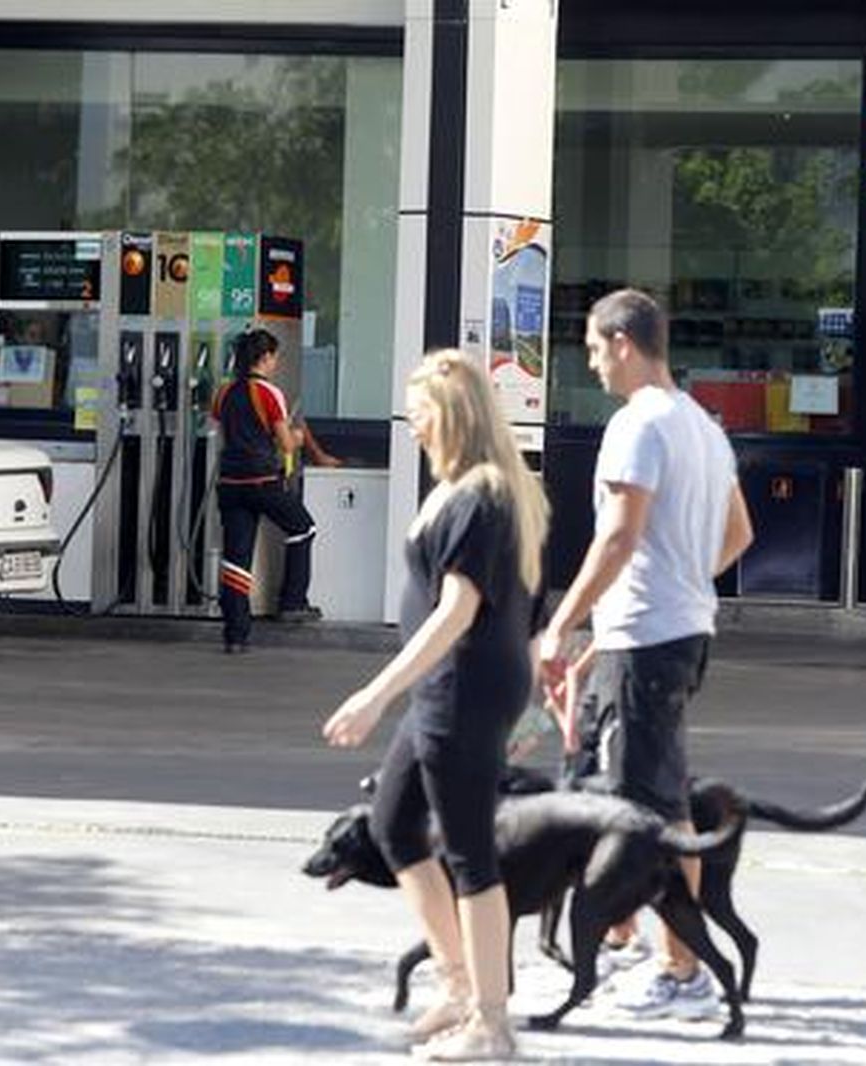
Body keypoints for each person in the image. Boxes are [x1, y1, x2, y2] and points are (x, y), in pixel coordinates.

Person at [322, 350, 549, 1062]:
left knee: (470, 853)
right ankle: (458, 986)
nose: (412, 425)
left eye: (419, 411)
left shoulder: (483, 497)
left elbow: (461, 612)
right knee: (393, 823)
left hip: (461, 689)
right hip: (452, 690)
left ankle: (491, 1020)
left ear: (449, 416)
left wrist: (375, 692)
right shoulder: (472, 491)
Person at [538, 288, 754, 1021]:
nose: (594, 366)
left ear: (625, 344)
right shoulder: (702, 427)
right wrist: (674, 589)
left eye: (596, 351)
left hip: (652, 639)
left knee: (653, 811)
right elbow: (739, 534)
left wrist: (560, 623)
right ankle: (638, 939)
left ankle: (682, 970)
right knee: (639, 798)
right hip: (669, 631)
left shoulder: (639, 425)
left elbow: (619, 536)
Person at [211, 328, 325, 654]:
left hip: (230, 484)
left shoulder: (223, 393)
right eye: (274, 357)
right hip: (263, 481)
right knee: (303, 528)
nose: (275, 363)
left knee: (236, 560)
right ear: (264, 357)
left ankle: (236, 636)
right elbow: (286, 443)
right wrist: (300, 438)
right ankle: (292, 601)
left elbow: (224, 431)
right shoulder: (269, 393)